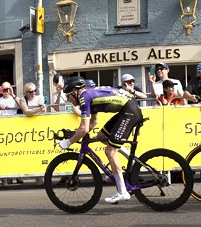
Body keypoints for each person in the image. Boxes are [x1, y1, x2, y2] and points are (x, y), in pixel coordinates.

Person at [58, 75, 144, 204]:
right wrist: (80, 135)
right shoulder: (87, 96)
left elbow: (84, 128)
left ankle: (122, 192)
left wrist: (68, 142)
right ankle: (132, 161)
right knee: (102, 137)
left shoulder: (84, 98)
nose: (68, 100)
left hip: (129, 110)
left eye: (68, 96)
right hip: (127, 108)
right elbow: (94, 122)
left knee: (110, 152)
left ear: (74, 93)